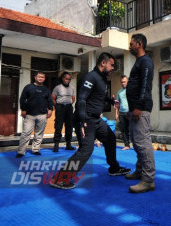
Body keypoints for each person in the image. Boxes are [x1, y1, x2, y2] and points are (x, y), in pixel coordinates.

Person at [50, 52, 131, 190]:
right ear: (103, 63)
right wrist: (82, 121)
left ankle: (114, 168)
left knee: (110, 138)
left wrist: (111, 100)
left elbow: (101, 95)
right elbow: (81, 99)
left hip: (96, 119)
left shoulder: (102, 78)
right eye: (112, 65)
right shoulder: (91, 77)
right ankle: (60, 178)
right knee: (86, 149)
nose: (113, 68)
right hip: (85, 119)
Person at [125, 34, 156, 193]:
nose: (129, 46)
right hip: (134, 109)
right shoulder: (139, 61)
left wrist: (138, 106)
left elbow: (145, 85)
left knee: (143, 142)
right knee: (136, 142)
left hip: (140, 108)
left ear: (140, 44)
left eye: (131, 44)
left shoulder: (146, 61)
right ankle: (139, 170)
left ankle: (148, 179)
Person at [16, 71, 53, 158]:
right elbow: (22, 99)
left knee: (39, 133)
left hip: (42, 114)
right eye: (39, 77)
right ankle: (21, 151)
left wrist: (50, 109)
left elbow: (50, 100)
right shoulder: (28, 87)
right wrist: (23, 109)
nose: (41, 78)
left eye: (43, 77)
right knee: (26, 133)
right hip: (30, 114)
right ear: (35, 77)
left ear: (44, 79)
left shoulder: (46, 89)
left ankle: (36, 150)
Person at [52, 72, 76, 152]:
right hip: (60, 107)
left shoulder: (72, 88)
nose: (68, 80)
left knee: (69, 126)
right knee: (58, 125)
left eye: (69, 79)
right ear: (63, 78)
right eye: (66, 79)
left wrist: (68, 104)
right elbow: (53, 98)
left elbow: (73, 99)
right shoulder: (57, 88)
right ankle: (56, 144)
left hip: (69, 107)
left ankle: (68, 144)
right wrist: (58, 106)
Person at [115, 75, 131, 150]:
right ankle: (127, 145)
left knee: (133, 129)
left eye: (124, 82)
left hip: (130, 112)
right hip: (122, 113)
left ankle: (138, 145)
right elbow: (117, 104)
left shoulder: (131, 90)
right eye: (122, 82)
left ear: (128, 82)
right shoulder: (119, 92)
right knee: (124, 130)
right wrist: (116, 113)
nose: (123, 83)